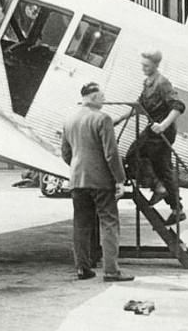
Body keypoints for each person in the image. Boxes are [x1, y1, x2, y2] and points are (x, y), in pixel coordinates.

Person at [61, 82, 133, 282]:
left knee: (81, 224)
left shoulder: (69, 119)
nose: (104, 100)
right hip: (100, 182)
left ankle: (82, 269)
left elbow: (66, 153)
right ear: (93, 98)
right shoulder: (102, 119)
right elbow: (111, 153)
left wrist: (78, 167)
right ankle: (111, 271)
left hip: (77, 180)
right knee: (109, 223)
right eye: (102, 97)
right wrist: (120, 179)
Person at [122, 49, 186, 226]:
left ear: (155, 65)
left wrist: (163, 125)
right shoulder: (148, 82)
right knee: (163, 168)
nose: (143, 68)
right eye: (142, 65)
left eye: (147, 66)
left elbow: (178, 106)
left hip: (161, 131)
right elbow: (138, 106)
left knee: (132, 155)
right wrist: (117, 120)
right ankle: (176, 209)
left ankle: (158, 187)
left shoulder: (162, 83)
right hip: (155, 129)